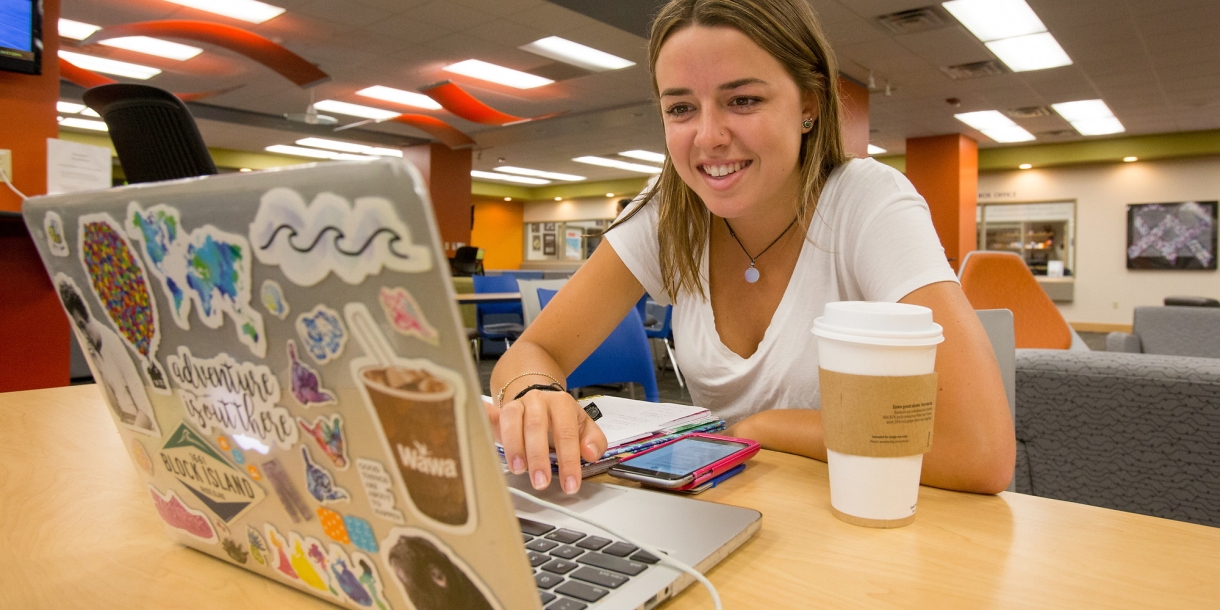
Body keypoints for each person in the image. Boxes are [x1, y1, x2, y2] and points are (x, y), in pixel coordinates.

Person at [488, 0, 1015, 497]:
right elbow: (533, 353)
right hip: (730, 514)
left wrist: (762, 428)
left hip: (865, 522)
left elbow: (978, 451)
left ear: (810, 103)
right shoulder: (670, 210)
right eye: (681, 108)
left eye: (743, 100)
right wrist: (537, 394)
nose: (709, 136)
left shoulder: (868, 202)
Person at [59, 279, 157, 433]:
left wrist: (134, 432)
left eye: (83, 326)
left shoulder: (112, 343)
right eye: (78, 328)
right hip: (120, 422)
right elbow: (112, 403)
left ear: (89, 318)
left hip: (138, 425)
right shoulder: (91, 347)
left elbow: (145, 408)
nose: (84, 334)